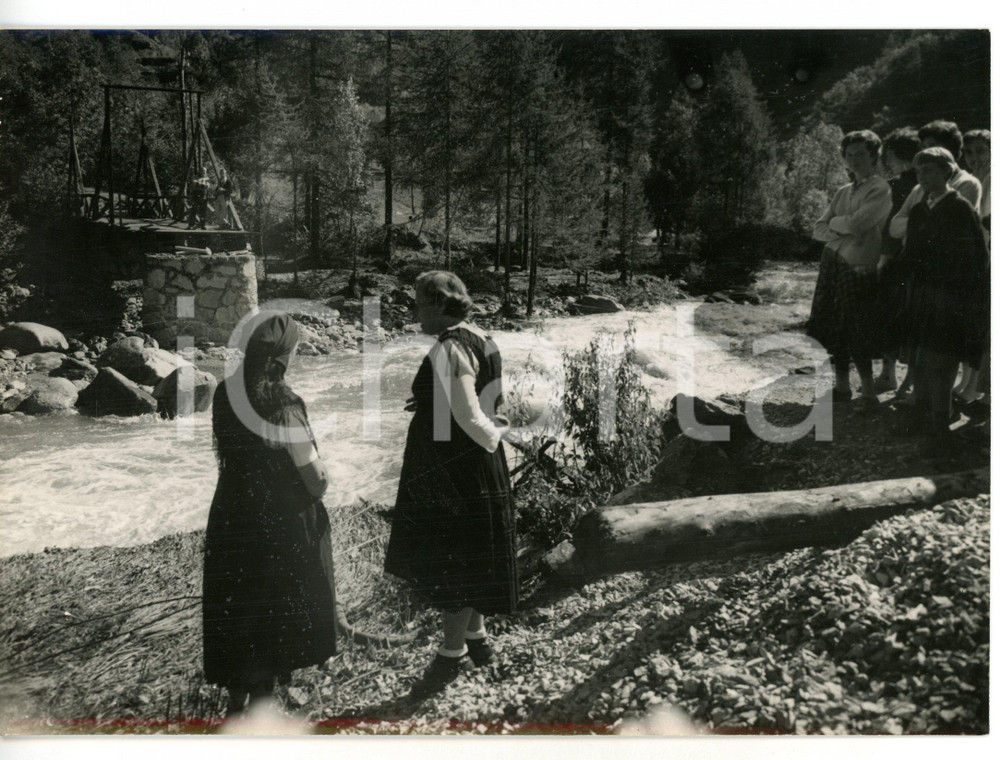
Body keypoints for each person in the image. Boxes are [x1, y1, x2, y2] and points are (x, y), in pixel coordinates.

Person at [384, 271, 517, 695]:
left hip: (455, 469)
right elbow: (486, 400)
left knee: (453, 557)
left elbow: (470, 417)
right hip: (477, 464)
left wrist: (496, 434)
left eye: (420, 305)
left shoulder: (449, 347)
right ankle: (477, 639)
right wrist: (427, 402)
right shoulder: (484, 338)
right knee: (475, 551)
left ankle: (450, 654)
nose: (414, 313)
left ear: (441, 304)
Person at [202, 313, 336, 717]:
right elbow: (314, 480)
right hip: (278, 522)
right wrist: (324, 484)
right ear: (282, 356)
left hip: (231, 513)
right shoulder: (286, 405)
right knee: (273, 605)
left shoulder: (226, 393)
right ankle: (262, 702)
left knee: (239, 602)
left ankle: (236, 696)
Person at [893, 147, 988, 453]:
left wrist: (961, 296)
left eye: (930, 171)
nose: (923, 177)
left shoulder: (960, 209)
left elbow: (976, 259)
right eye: (919, 172)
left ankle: (940, 423)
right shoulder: (920, 208)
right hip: (921, 296)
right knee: (920, 357)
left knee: (942, 360)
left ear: (947, 172)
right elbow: (912, 253)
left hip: (949, 298)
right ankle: (919, 414)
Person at [807, 129, 893, 414]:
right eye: (850, 155)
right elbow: (818, 228)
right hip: (832, 263)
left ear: (874, 156)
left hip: (858, 267)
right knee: (833, 324)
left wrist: (839, 226)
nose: (854, 160)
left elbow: (860, 224)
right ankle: (842, 387)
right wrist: (845, 227)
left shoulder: (879, 188)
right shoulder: (843, 191)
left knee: (856, 326)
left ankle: (868, 393)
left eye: (861, 154)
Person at [874, 127, 922, 395]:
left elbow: (889, 228)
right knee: (912, 322)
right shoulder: (929, 181)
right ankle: (909, 380)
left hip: (896, 261)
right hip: (917, 260)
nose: (886, 162)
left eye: (888, 156)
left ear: (894, 154)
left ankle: (888, 374)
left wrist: (882, 260)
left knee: (890, 316)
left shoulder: (896, 186)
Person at [888, 120, 982, 241]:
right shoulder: (919, 188)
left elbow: (950, 228)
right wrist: (926, 222)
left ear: (950, 148)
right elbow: (894, 228)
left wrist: (914, 223)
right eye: (924, 147)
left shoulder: (967, 183)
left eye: (932, 146)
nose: (925, 152)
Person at [953, 129, 991, 407]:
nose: (974, 157)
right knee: (970, 324)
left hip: (987, 258)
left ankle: (976, 388)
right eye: (969, 152)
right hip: (971, 259)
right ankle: (968, 384)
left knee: (982, 325)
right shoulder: (971, 180)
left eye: (981, 150)